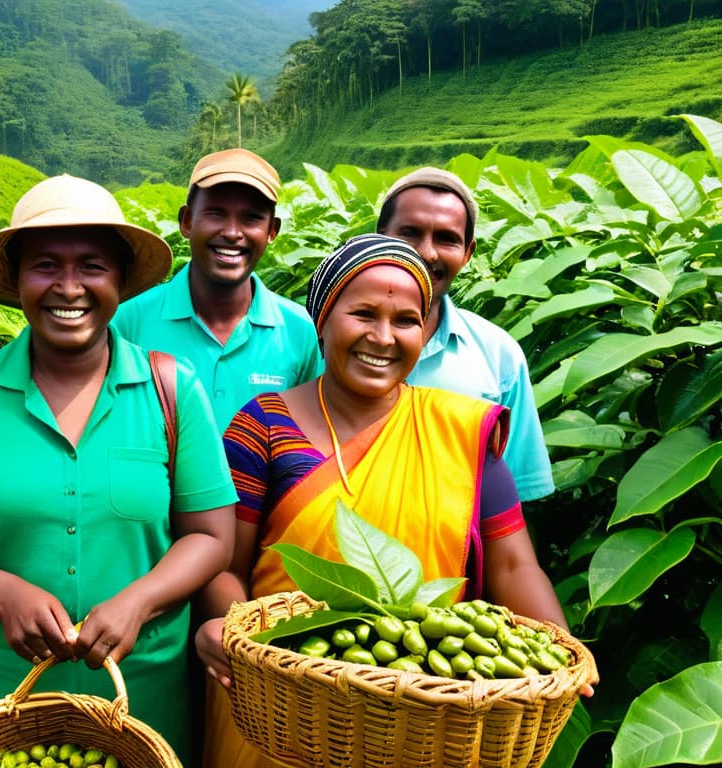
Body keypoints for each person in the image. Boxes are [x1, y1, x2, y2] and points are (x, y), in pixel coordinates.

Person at [0, 174, 237, 766]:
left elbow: (210, 536)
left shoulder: (171, 390)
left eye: (93, 266)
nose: (69, 287)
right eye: (46, 265)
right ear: (19, 279)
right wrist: (2, 594)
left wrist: (139, 600)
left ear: (120, 281)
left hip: (140, 698)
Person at [194, 234, 570, 767]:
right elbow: (222, 565)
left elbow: (513, 563)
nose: (383, 337)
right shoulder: (264, 425)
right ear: (322, 320)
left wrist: (559, 653)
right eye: (363, 314)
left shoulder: (461, 430)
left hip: (426, 705)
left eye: (406, 320)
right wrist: (252, 646)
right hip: (282, 705)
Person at [376, 167, 555, 503]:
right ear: (380, 236)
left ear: (468, 252)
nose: (427, 253)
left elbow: (514, 503)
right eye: (410, 233)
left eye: (447, 239)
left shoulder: (499, 355)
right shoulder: (323, 340)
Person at [113, 148, 322, 433]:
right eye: (215, 214)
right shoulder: (129, 321)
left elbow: (308, 441)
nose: (232, 232)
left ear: (272, 230)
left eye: (251, 218)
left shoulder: (298, 330)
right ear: (187, 221)